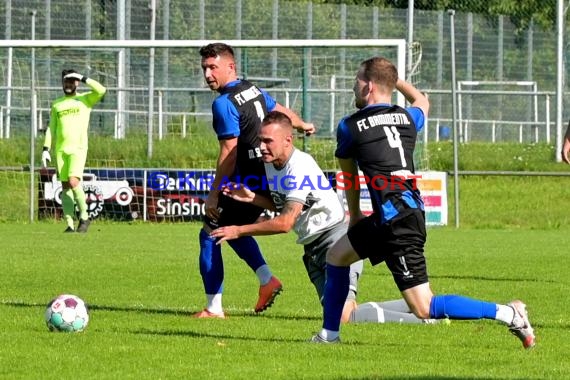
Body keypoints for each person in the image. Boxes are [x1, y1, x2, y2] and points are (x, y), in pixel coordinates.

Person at [310, 57, 536, 349]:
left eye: (357, 81)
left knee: (424, 307)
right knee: (337, 256)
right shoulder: (406, 118)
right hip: (395, 214)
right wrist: (395, 80)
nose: (354, 86)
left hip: (397, 221)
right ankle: (329, 335)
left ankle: (509, 312)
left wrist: (353, 215)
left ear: (368, 86)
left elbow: (349, 175)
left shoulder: (349, 126)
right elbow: (421, 100)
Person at [210, 111, 435, 325]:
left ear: (288, 140)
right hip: (312, 249)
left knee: (342, 316)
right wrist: (253, 199)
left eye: (268, 141)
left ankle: (423, 317)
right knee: (341, 312)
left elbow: (285, 223)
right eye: (260, 140)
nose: (261, 146)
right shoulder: (272, 164)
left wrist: (238, 230)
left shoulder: (299, 167)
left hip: (336, 240)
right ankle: (417, 304)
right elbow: (284, 206)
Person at [194, 43, 315, 318]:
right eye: (204, 68)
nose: (208, 75)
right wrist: (302, 123)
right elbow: (279, 112)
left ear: (230, 67)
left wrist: (214, 194)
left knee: (210, 234)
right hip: (266, 176)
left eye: (213, 67)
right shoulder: (252, 88)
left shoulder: (224, 104)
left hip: (249, 179)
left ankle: (214, 308)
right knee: (231, 230)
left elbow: (229, 151)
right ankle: (265, 280)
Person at [42, 69, 106, 233]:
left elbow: (101, 90)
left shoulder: (84, 100)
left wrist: (83, 78)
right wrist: (45, 149)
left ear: (76, 83)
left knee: (73, 181)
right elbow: (51, 128)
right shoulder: (57, 104)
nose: (69, 84)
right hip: (60, 150)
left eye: (72, 81)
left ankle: (84, 216)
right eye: (66, 81)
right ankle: (70, 224)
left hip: (78, 148)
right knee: (65, 186)